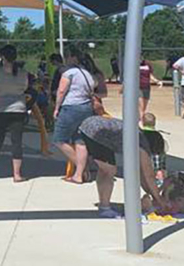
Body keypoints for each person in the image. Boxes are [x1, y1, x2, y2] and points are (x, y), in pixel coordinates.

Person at [71, 115, 168, 218]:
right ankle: (105, 208)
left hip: (89, 125)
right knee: (109, 170)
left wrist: (153, 194)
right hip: (96, 131)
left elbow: (143, 175)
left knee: (106, 169)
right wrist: (159, 199)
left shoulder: (138, 135)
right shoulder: (141, 143)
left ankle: (104, 205)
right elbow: (148, 175)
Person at [0, 45, 28, 182]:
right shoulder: (23, 72)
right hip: (18, 109)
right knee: (17, 142)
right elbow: (25, 88)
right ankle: (17, 174)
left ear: (2, 57)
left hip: (1, 109)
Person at [53, 49, 98, 177]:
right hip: (86, 107)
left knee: (59, 139)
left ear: (72, 58)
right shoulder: (87, 74)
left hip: (71, 107)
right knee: (80, 141)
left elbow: (61, 91)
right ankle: (78, 175)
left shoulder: (69, 73)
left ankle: (82, 168)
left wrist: (56, 107)